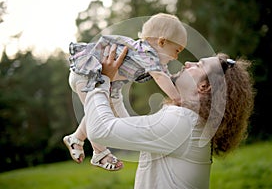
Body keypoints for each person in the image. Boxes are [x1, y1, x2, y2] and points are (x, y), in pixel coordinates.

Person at [81, 44, 255, 188]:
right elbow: (125, 127)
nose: (188, 63)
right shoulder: (190, 121)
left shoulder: (182, 122)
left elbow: (99, 131)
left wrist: (100, 79)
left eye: (199, 65)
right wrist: (114, 87)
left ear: (204, 86)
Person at [63, 13, 187, 171]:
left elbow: (167, 77)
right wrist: (177, 98)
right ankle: (99, 153)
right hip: (87, 75)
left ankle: (76, 138)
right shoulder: (146, 52)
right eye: (177, 50)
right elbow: (160, 77)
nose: (176, 56)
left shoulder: (157, 61)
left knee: (125, 122)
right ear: (161, 42)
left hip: (108, 85)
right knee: (96, 114)